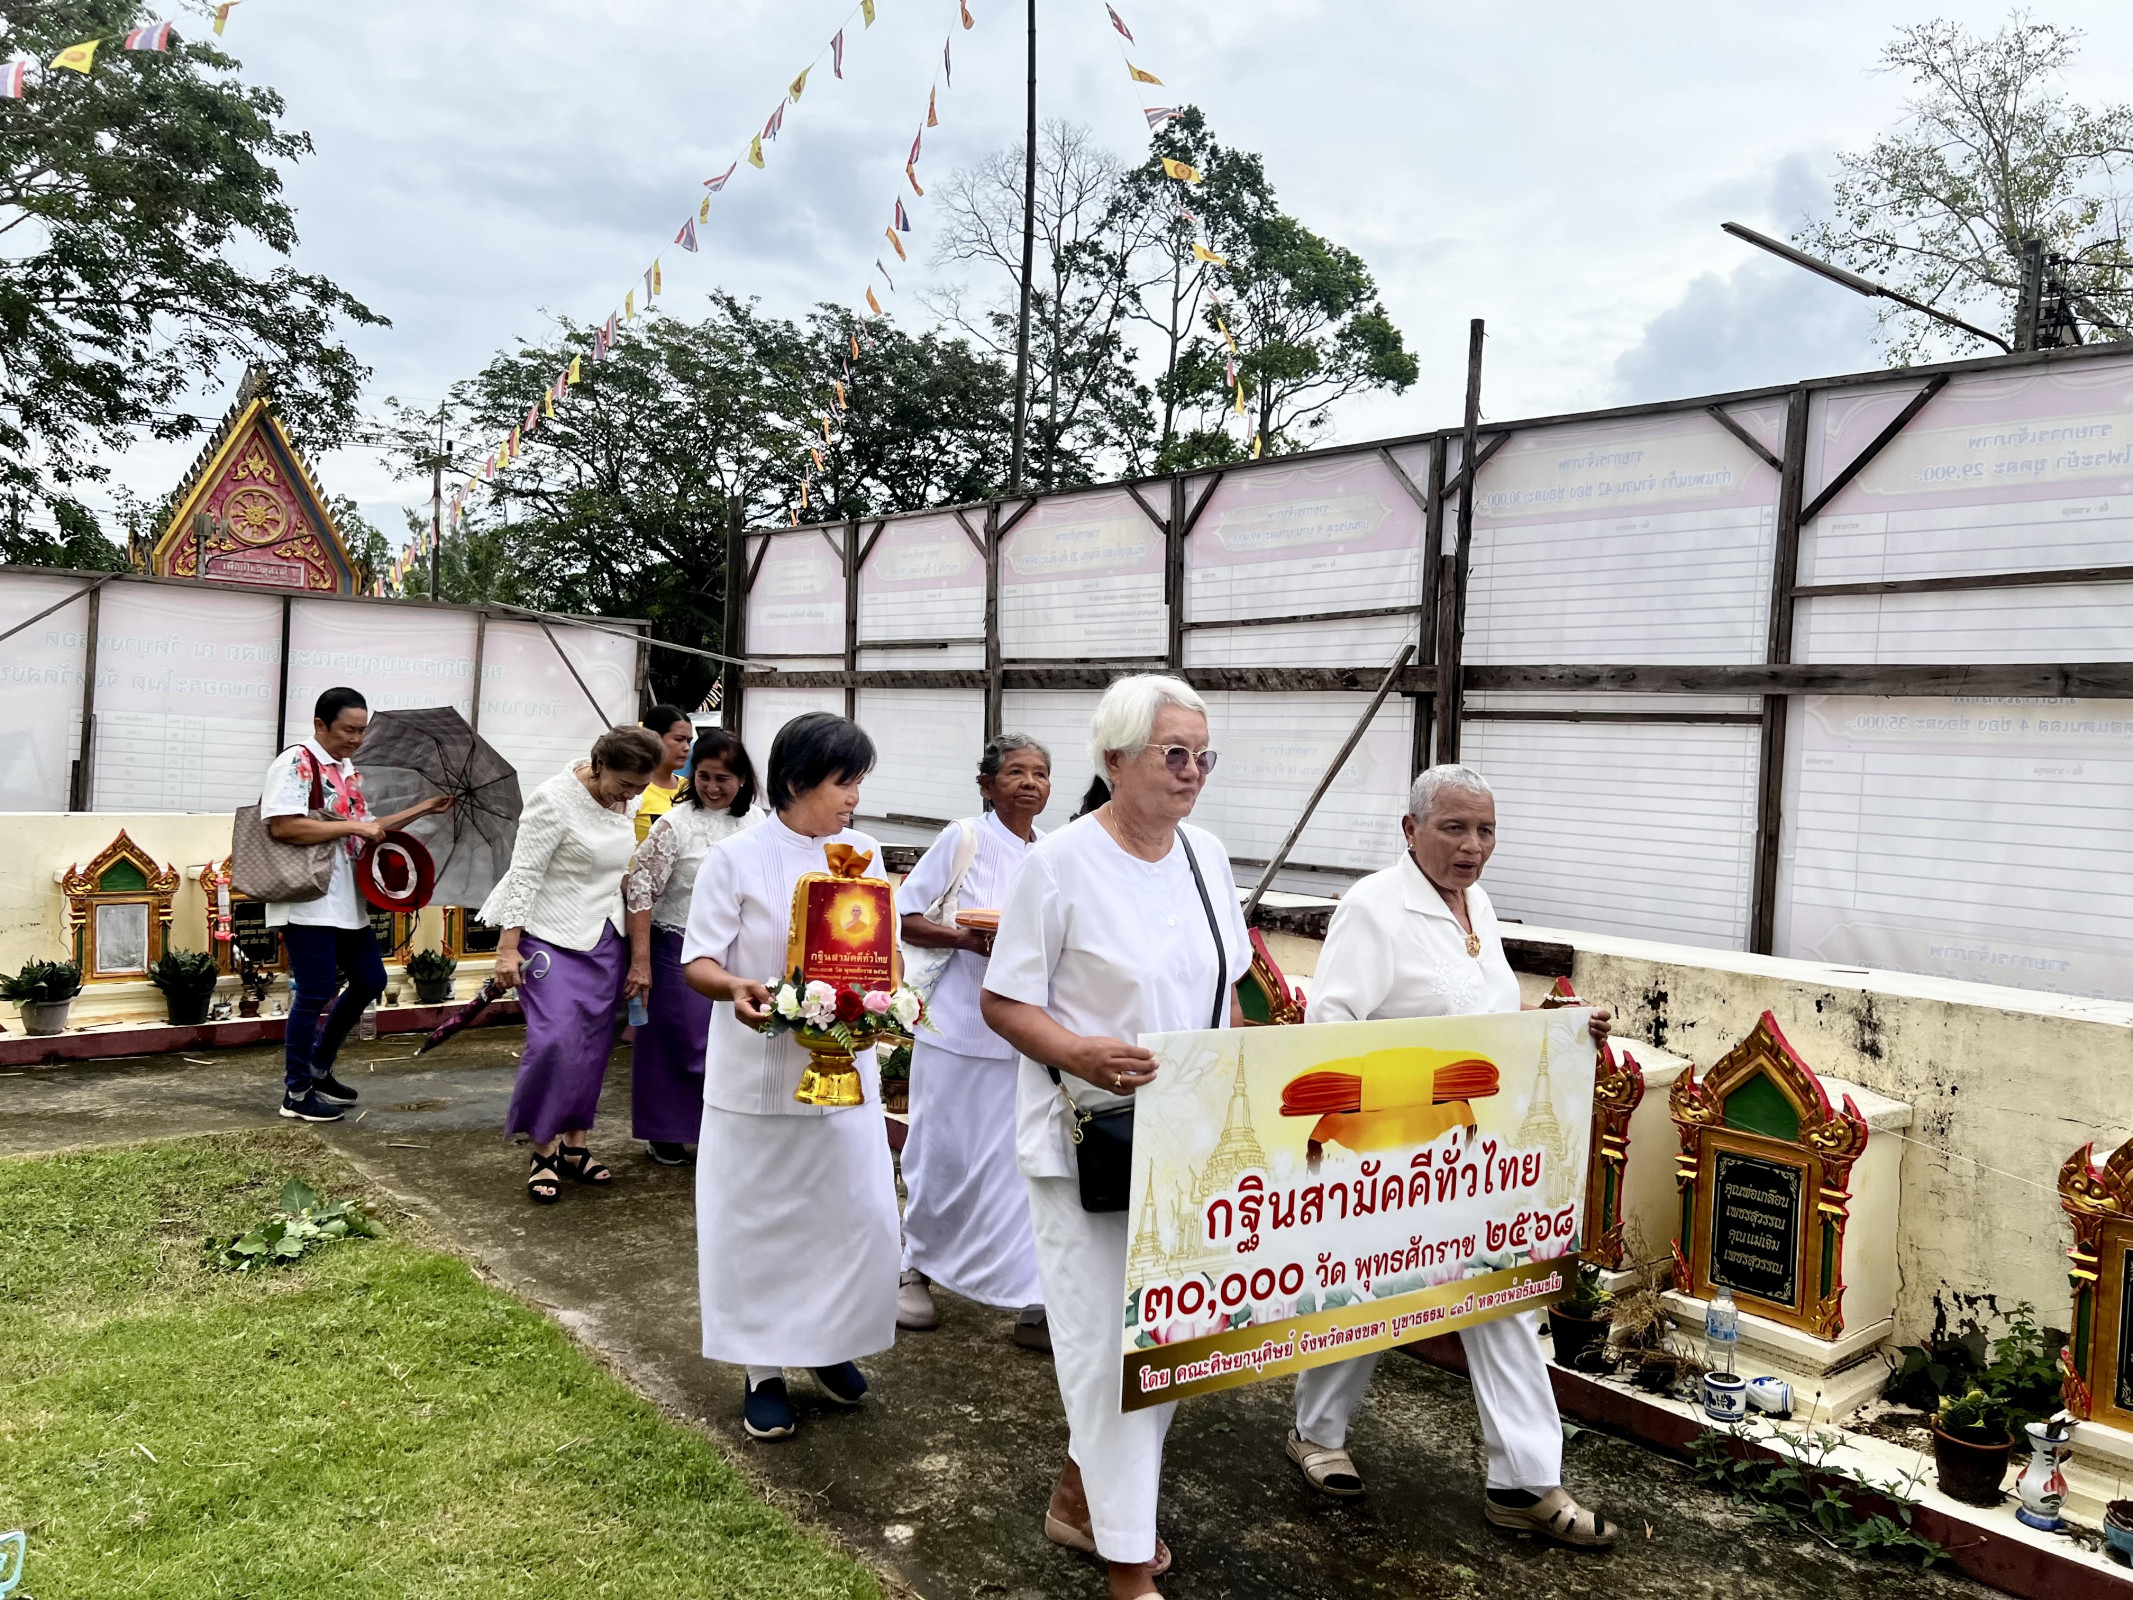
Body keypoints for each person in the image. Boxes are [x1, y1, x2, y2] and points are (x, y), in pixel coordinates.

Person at [1281, 763, 1620, 1550]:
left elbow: (1487, 1016)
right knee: (1366, 1295)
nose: (1473, 847)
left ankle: (1525, 1483)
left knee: (1499, 1301)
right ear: (1410, 830)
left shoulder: (1478, 905)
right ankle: (1315, 1434)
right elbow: (1329, 1030)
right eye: (1454, 828)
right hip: (1388, 1153)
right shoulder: (1371, 907)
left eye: (1485, 830)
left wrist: (1559, 1028)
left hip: (1474, 1153)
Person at [981, 676, 1251, 1600]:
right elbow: (1003, 999)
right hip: (1087, 1141)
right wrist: (1078, 1053)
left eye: (1202, 755)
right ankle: (1126, 1568)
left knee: (1171, 1343)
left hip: (1186, 1145)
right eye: (1173, 754)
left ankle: (1078, 1497)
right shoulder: (1057, 863)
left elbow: (1227, 996)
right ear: (1114, 763)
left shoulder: (1207, 856)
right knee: (1108, 1353)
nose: (1192, 773)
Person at [681, 712, 901, 1442]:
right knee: (761, 1225)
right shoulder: (735, 860)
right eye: (845, 781)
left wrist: (893, 996)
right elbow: (700, 962)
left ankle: (828, 1343)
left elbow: (880, 954)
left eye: (860, 781)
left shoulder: (864, 854)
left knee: (851, 1217)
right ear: (797, 779)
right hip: (760, 1073)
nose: (855, 797)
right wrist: (738, 988)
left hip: (846, 1072)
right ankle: (763, 1369)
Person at [895, 734, 1052, 1347]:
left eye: (1040, 773)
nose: (1030, 783)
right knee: (943, 1152)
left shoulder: (1054, 853)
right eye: (1015, 772)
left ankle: (1029, 1296)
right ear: (987, 784)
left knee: (1021, 1167)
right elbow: (905, 917)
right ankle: (916, 1268)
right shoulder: (962, 838)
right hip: (956, 1029)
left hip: (1023, 1036)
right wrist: (966, 940)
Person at [481, 725, 664, 1204]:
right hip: (549, 935)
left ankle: (575, 1144)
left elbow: (624, 867)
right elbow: (523, 875)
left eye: (641, 786)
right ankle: (541, 1149)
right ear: (597, 764)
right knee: (555, 1040)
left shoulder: (632, 799)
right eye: (624, 784)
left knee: (593, 1045)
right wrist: (506, 949)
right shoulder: (553, 800)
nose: (631, 795)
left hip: (604, 936)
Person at [260, 686, 451, 1124]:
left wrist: (423, 808)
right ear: (319, 724)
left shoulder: (346, 770)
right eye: (348, 730)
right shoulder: (296, 762)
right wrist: (353, 826)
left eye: (362, 731)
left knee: (369, 979)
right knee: (313, 992)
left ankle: (319, 1066)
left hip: (346, 897)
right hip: (307, 897)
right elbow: (284, 827)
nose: (356, 739)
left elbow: (366, 828)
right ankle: (296, 1091)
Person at [623, 729, 762, 1165]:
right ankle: (666, 1131)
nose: (712, 788)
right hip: (677, 945)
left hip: (739, 950)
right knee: (682, 1042)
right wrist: (640, 963)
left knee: (736, 1042)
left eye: (723, 778)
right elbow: (640, 889)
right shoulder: (673, 824)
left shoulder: (757, 822)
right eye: (703, 776)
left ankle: (729, 1132)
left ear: (742, 780)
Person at [632, 704, 696, 844]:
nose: (686, 748)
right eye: (679, 739)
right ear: (653, 738)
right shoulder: (632, 790)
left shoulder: (690, 788)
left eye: (689, 741)